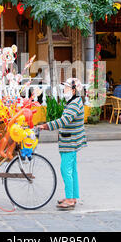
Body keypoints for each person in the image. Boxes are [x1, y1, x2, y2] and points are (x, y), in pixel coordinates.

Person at [37, 78, 87, 210]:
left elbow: (63, 121)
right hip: (69, 140)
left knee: (66, 170)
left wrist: (45, 126)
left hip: (70, 142)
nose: (64, 90)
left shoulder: (74, 104)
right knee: (72, 170)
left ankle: (70, 199)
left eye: (66, 88)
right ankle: (72, 196)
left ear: (74, 90)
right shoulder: (72, 102)